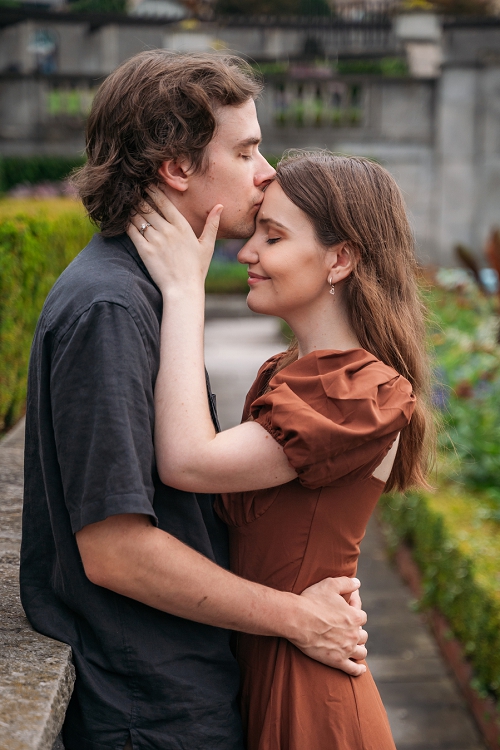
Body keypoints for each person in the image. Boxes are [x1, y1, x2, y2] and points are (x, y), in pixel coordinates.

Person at [20, 52, 368, 750]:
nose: (267, 169)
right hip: (150, 711)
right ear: (177, 168)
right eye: (244, 151)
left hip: (173, 693)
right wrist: (296, 616)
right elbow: (116, 551)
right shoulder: (112, 308)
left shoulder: (141, 291)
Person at [128, 151, 433, 750]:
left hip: (311, 699)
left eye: (273, 236)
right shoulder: (285, 374)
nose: (247, 252)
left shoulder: (360, 391)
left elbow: (189, 461)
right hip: (269, 665)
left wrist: (184, 291)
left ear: (340, 259)